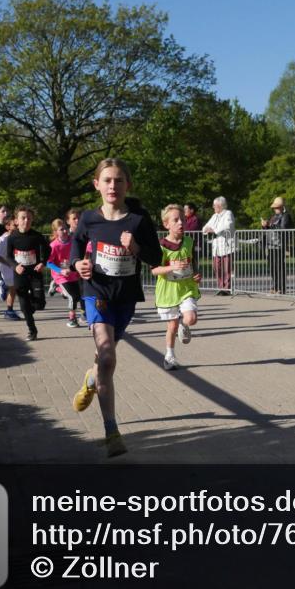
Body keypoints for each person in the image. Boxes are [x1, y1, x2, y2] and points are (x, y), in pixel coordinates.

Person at [71, 158, 162, 458]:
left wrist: (135, 247)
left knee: (103, 361)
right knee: (108, 355)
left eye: (119, 180)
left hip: (125, 297)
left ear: (127, 185)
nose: (113, 186)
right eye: (107, 180)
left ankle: (90, 379)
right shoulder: (88, 219)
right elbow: (76, 248)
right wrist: (78, 264)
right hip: (96, 292)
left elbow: (156, 258)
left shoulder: (138, 219)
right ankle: (111, 432)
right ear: (96, 184)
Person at [152, 204, 202, 370]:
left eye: (183, 219)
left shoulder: (188, 241)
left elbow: (192, 261)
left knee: (191, 318)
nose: (181, 223)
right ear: (167, 224)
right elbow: (154, 270)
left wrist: (197, 273)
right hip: (168, 290)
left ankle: (185, 325)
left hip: (187, 287)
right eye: (176, 220)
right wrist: (171, 267)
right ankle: (170, 356)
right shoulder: (160, 246)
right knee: (171, 326)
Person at [4, 206, 50, 341]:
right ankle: (32, 330)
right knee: (24, 304)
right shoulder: (12, 237)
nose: (26, 220)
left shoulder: (37, 236)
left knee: (39, 304)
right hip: (20, 274)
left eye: (29, 218)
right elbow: (8, 256)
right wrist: (15, 266)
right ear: (17, 221)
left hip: (35, 273)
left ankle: (28, 308)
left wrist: (43, 262)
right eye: (23, 218)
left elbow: (48, 250)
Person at [48, 218, 83, 328]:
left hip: (72, 273)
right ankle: (72, 319)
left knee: (78, 296)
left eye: (65, 228)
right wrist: (61, 271)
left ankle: (57, 288)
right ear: (55, 232)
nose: (65, 231)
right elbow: (49, 263)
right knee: (72, 296)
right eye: (61, 229)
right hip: (60, 275)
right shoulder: (54, 245)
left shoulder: (73, 241)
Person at [202, 196, 235, 296]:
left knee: (227, 268)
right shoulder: (215, 215)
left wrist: (214, 229)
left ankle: (227, 288)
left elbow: (227, 226)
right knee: (217, 267)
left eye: (215, 205)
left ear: (220, 206)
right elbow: (205, 228)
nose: (213, 207)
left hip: (226, 245)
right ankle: (220, 287)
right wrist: (208, 229)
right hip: (217, 246)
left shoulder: (228, 213)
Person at [261, 197, 291, 295]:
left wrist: (270, 225)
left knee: (279, 266)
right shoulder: (273, 217)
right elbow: (268, 229)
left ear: (282, 207)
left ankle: (281, 288)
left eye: (277, 207)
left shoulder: (285, 216)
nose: (275, 209)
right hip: (271, 245)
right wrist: (264, 225)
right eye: (274, 208)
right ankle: (275, 286)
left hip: (279, 244)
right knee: (273, 267)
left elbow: (283, 228)